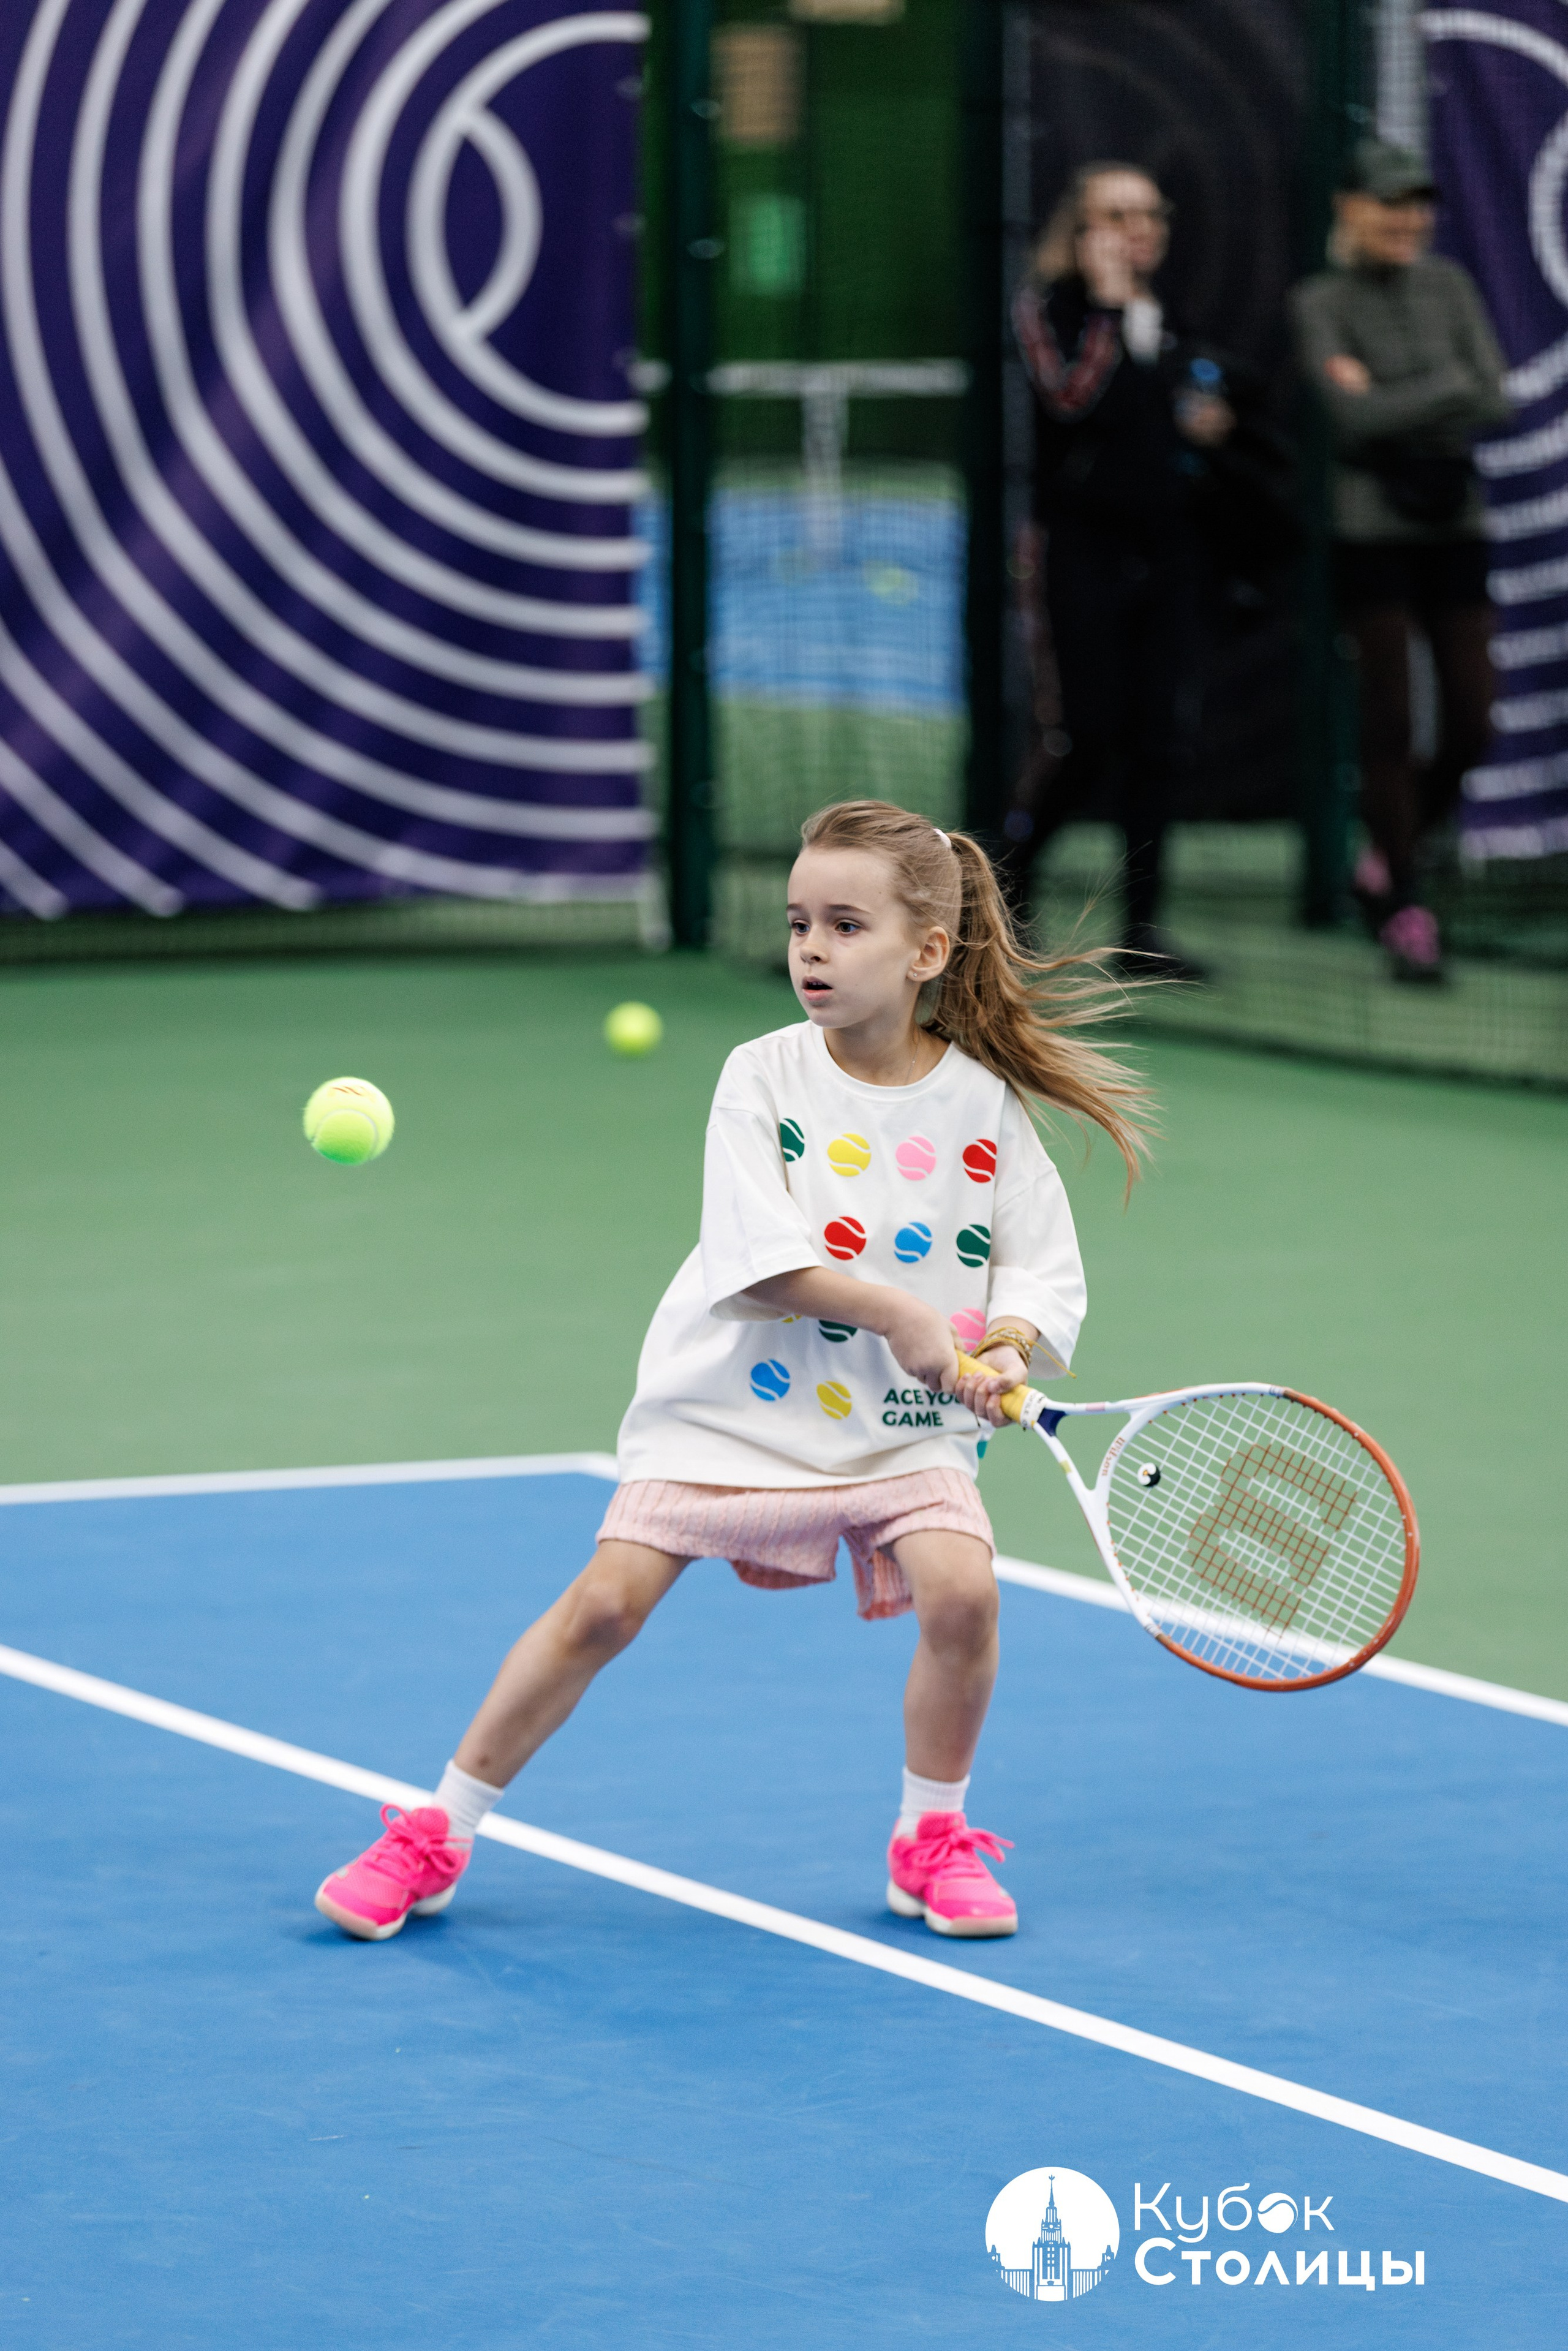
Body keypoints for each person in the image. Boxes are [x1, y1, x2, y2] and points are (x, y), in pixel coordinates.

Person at [313, 801, 1152, 1946]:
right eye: (800, 921)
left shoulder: (984, 1106)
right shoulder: (760, 1079)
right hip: (730, 1409)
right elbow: (760, 1264)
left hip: (901, 1424)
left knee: (965, 1592)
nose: (811, 946)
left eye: (845, 924)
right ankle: (439, 1830)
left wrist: (1003, 1344)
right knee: (604, 1608)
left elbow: (1040, 1266)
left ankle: (934, 1836)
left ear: (927, 952)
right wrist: (902, 1311)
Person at [1001, 162, 1238, 980]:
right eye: (1114, 215)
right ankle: (1004, 890)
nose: (1134, 230)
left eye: (1146, 214)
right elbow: (1069, 399)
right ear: (1079, 228)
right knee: (1086, 733)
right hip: (1079, 556)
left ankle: (1142, 929)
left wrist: (1208, 426)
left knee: (1160, 738)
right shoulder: (1051, 313)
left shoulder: (1174, 322)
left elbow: (1194, 413)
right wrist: (1106, 309)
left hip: (1168, 558)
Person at [1291, 139, 1510, 982]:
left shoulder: (1450, 286)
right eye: (1389, 202)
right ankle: (1405, 903)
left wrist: (1390, 397)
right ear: (1352, 208)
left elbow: (1492, 391)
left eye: (1418, 204)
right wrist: (1439, 388)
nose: (1407, 218)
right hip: (1371, 533)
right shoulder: (1320, 301)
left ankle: (1387, 852)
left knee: (1474, 720)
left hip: (1456, 526)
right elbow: (1351, 422)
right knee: (1388, 716)